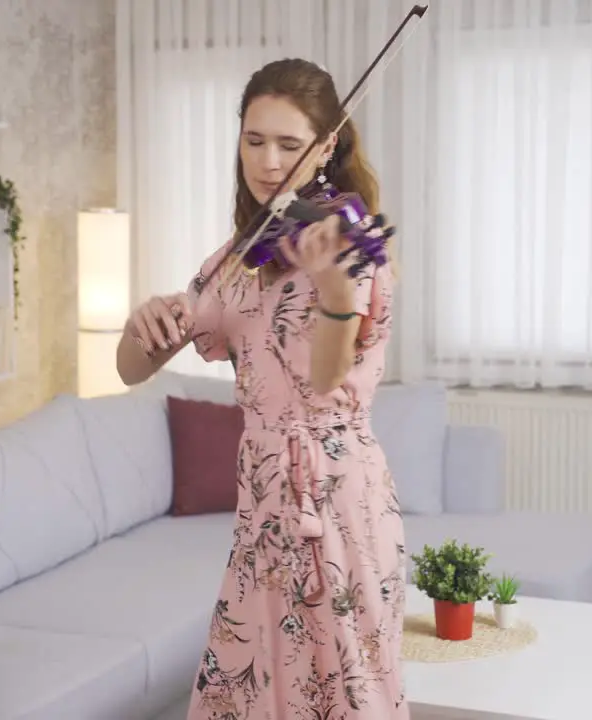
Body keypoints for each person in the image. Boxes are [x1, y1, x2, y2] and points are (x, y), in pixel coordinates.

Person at [116, 57, 406, 719]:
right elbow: (132, 368)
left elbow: (327, 378)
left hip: (339, 504)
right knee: (246, 697)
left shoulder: (351, 242)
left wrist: (333, 293)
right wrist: (142, 324)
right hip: (263, 515)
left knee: (346, 699)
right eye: (254, 140)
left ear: (327, 146)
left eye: (289, 143)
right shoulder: (237, 259)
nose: (268, 161)